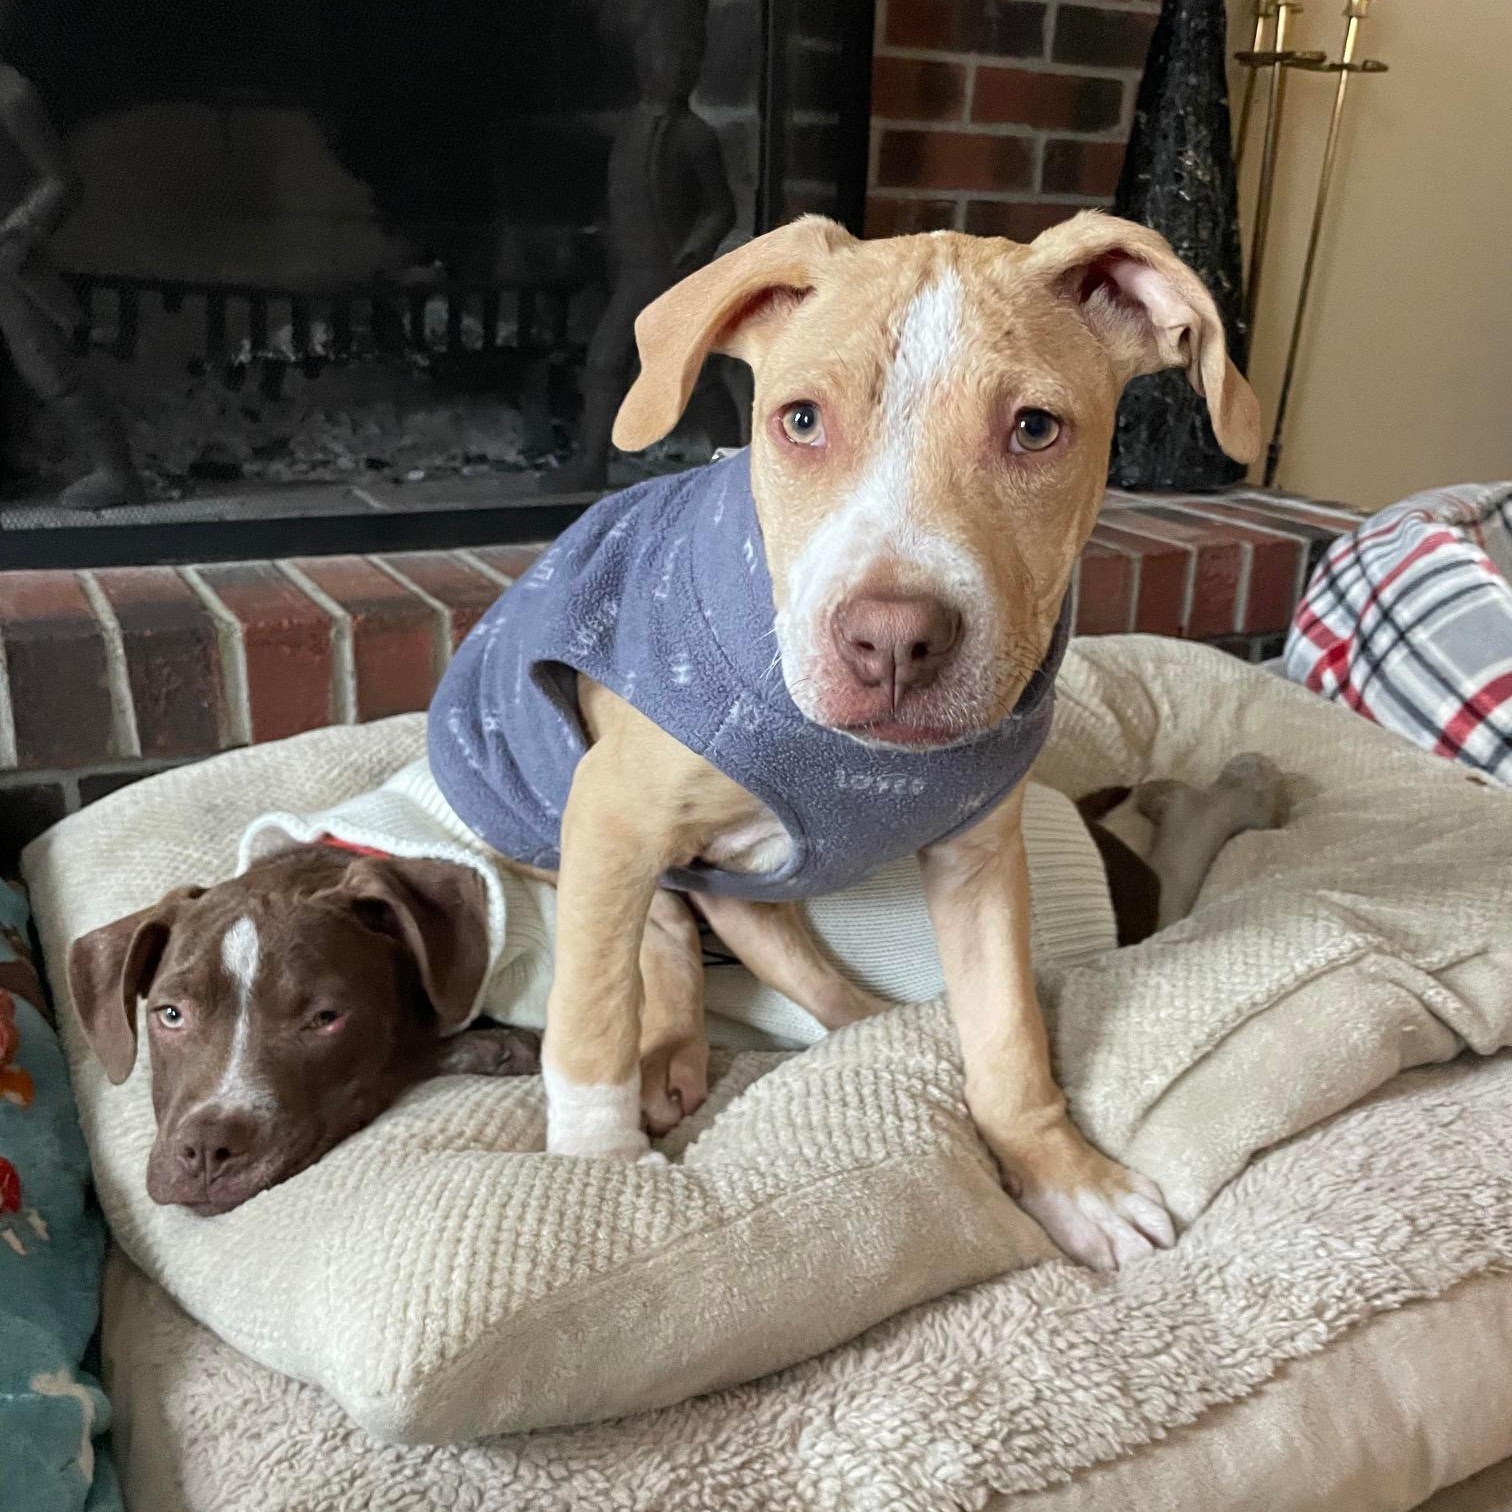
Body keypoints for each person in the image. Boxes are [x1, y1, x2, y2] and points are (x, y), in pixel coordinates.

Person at [544, 0, 735, 493]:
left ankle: (737, 464)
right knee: (605, 361)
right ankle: (591, 462)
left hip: (673, 275)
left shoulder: (694, 136)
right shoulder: (629, 130)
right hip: (634, 275)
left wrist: (694, 250)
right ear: (641, 57)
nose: (677, 66)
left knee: (697, 373)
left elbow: (721, 209)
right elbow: (620, 197)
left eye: (690, 55)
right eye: (665, 52)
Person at [0, 60, 142, 509]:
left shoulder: (11, 95)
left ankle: (117, 473)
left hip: (9, 258)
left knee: (49, 370)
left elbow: (61, 181)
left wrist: (21, 230)